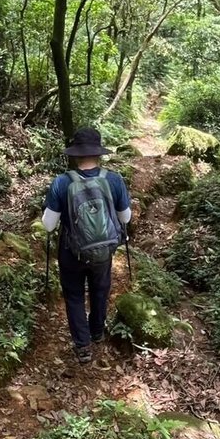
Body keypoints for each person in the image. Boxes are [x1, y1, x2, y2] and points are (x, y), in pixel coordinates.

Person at [42, 127, 132, 364]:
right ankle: (97, 332)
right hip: (103, 251)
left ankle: (82, 346)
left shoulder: (61, 182)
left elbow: (49, 225)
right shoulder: (113, 179)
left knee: (73, 295)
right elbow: (125, 218)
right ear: (99, 153)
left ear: (75, 154)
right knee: (100, 289)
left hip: (71, 253)